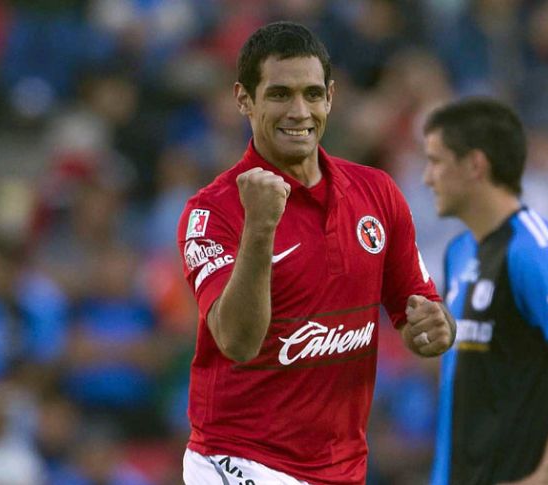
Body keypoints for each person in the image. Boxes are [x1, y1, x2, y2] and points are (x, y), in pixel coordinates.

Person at [176, 21, 456, 485]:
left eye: (311, 93)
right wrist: (261, 228)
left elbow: (419, 317)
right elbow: (238, 342)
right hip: (239, 459)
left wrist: (437, 327)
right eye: (279, 94)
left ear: (330, 96)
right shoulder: (212, 212)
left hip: (342, 468)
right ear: (244, 99)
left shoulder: (377, 193)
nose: (299, 111)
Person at [421, 98, 548, 485]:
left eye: (437, 161)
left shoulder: (530, 249)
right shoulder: (460, 251)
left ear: (475, 165)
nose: (427, 177)